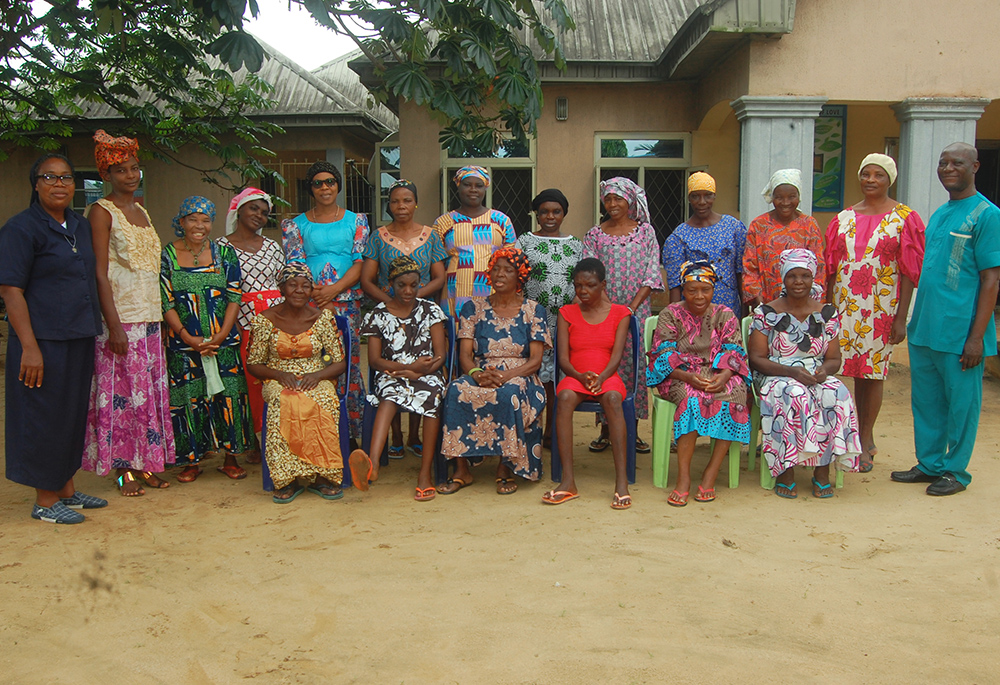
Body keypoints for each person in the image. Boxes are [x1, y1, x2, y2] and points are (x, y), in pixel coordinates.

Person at [0, 154, 107, 523]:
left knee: (71, 413)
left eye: (66, 178)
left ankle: (65, 489)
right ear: (36, 184)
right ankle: (44, 501)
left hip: (78, 333)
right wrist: (28, 346)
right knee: (42, 415)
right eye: (50, 177)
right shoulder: (21, 228)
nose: (59, 184)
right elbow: (11, 290)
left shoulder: (78, 224)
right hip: (41, 340)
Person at [891, 143, 1000, 496]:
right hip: (926, 328)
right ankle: (930, 463)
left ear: (975, 167)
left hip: (960, 332)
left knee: (962, 406)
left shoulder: (987, 215)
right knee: (926, 401)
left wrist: (976, 337)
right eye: (942, 163)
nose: (948, 168)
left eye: (957, 163)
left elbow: (991, 279)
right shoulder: (940, 213)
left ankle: (956, 471)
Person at [82, 130, 175, 496]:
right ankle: (122, 468)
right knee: (121, 392)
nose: (130, 175)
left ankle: (145, 462)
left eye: (134, 168)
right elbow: (100, 273)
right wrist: (114, 325)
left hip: (150, 318)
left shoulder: (142, 210)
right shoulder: (101, 211)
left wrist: (160, 319)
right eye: (121, 170)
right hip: (121, 319)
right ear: (106, 174)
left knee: (147, 393)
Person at [825, 154, 925, 472]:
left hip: (882, 307)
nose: (870, 180)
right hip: (845, 307)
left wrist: (901, 317)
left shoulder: (905, 218)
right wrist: (827, 312)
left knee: (874, 373)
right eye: (865, 174)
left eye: (878, 175)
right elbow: (830, 268)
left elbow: (909, 271)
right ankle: (854, 434)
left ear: (889, 179)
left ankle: (866, 439)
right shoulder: (842, 218)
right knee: (854, 372)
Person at [748, 249, 861, 499]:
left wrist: (824, 372)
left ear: (813, 279)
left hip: (814, 372)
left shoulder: (827, 313)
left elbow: (834, 359)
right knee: (794, 392)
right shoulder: (766, 313)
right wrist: (792, 372)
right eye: (792, 276)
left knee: (836, 392)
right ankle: (786, 472)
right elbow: (756, 359)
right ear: (783, 280)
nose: (799, 282)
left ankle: (822, 472)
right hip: (776, 373)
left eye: (805, 276)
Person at [437, 247, 550, 495]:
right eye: (495, 269)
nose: (499, 274)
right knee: (455, 390)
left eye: (508, 270)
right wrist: (477, 374)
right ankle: (461, 468)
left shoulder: (534, 310)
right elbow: (465, 355)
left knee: (509, 393)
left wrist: (507, 375)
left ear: (520, 276)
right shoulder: (473, 308)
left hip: (520, 374)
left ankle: (505, 467)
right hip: (481, 370)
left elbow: (535, 361)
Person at [161, 196, 254, 482]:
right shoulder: (169, 254)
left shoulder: (224, 254)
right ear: (181, 222)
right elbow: (165, 301)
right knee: (189, 398)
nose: (199, 226)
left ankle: (230, 457)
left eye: (205, 220)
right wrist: (187, 336)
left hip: (222, 341)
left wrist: (223, 334)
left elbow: (234, 294)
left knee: (229, 397)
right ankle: (192, 461)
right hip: (183, 344)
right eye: (192, 219)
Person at [646, 261, 751, 506]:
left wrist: (724, 376)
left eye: (705, 289)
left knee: (735, 394)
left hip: (718, 372)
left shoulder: (724, 313)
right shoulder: (670, 313)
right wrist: (688, 377)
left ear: (713, 288)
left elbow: (735, 351)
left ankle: (710, 473)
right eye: (692, 290)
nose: (699, 296)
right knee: (691, 399)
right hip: (680, 374)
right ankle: (683, 478)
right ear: (683, 289)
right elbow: (662, 353)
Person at [281, 161, 369, 443]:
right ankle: (321, 433)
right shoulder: (296, 225)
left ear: (338, 185)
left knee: (348, 363)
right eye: (317, 183)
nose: (324, 187)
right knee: (317, 364)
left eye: (330, 182)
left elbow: (360, 263)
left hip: (347, 303)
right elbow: (296, 265)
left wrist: (334, 290)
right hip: (310, 303)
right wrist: (316, 295)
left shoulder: (356, 221)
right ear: (311, 189)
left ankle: (353, 434)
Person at [359, 179, 448, 458]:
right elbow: (367, 279)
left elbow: (440, 276)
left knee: (421, 362)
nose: (401, 206)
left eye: (407, 200)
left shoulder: (431, 235)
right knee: (393, 366)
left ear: (415, 203)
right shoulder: (378, 236)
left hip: (421, 315)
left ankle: (413, 436)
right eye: (395, 201)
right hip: (390, 316)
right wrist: (392, 305)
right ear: (389, 205)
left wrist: (414, 299)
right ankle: (396, 436)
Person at [245, 264, 347, 503]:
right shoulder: (265, 320)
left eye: (305, 286)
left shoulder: (322, 318)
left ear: (312, 290)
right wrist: (279, 376)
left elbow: (339, 362)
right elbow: (253, 364)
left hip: (316, 376)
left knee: (323, 399)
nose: (299, 290)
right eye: (293, 284)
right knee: (284, 401)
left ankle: (323, 475)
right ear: (282, 288)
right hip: (277, 377)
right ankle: (287, 478)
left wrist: (318, 376)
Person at [352, 256, 448, 501]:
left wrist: (417, 371)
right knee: (389, 396)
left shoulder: (431, 310)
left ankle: (424, 474)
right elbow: (374, 360)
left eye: (413, 285)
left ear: (419, 284)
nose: (408, 291)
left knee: (432, 397)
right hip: (392, 374)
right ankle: (371, 464)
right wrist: (405, 368)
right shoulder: (377, 315)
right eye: (401, 285)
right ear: (390, 285)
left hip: (427, 374)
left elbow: (440, 355)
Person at [583, 176, 663, 455]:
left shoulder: (645, 232)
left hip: (636, 312)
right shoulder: (594, 234)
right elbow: (591, 274)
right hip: (602, 313)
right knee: (605, 364)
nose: (613, 203)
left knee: (634, 367)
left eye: (618, 198)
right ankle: (606, 429)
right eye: (608, 198)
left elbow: (651, 272)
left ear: (630, 201)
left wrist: (630, 308)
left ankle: (634, 430)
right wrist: (609, 310)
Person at [544, 258, 632, 509]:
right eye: (578, 286)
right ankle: (568, 481)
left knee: (614, 399)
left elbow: (617, 357)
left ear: (603, 285)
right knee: (565, 398)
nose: (583, 291)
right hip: (576, 375)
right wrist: (581, 376)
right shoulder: (566, 313)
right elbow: (562, 358)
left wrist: (602, 377)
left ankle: (622, 483)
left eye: (590, 285)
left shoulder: (620, 313)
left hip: (607, 375)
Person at [218, 187, 283, 463]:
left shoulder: (272, 246)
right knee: (245, 382)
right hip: (239, 320)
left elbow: (282, 281)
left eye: (264, 212)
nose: (259, 215)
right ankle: (249, 440)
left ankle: (273, 437)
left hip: (273, 320)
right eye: (254, 208)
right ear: (239, 210)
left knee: (272, 378)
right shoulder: (221, 246)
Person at [515, 188, 583, 447]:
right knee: (535, 376)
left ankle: (552, 432)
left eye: (556, 211)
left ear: (564, 213)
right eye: (544, 212)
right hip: (532, 322)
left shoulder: (576, 245)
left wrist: (573, 310)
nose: (550, 216)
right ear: (536, 214)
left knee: (556, 379)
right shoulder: (524, 241)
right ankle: (532, 428)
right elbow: (516, 278)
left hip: (565, 324)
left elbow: (582, 283)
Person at [433, 166, 516, 317]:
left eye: (478, 186)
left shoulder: (501, 220)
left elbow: (513, 263)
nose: (473, 190)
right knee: (457, 337)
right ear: (458, 186)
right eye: (467, 185)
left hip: (493, 293)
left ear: (485, 189)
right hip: (455, 294)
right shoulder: (443, 222)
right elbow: (436, 266)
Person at [663, 172, 747, 316]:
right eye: (695, 196)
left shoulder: (733, 227)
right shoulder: (679, 237)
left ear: (714, 196)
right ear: (689, 198)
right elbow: (675, 286)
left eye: (707, 195)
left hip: (729, 307)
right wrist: (676, 319)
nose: (702, 202)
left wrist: (745, 313)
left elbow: (741, 273)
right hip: (694, 309)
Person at [743, 169, 826, 308]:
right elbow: (749, 268)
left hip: (803, 306)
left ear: (799, 197)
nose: (785, 202)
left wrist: (813, 304)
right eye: (779, 197)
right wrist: (760, 305)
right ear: (772, 197)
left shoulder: (809, 225)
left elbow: (819, 269)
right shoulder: (759, 225)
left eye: (791, 196)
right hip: (768, 305)